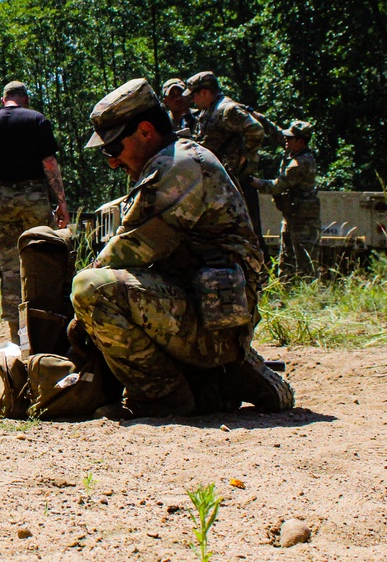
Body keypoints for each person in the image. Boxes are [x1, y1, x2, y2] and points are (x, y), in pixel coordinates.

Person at [74, 78, 293, 420]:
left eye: (113, 149)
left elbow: (124, 252)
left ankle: (166, 396)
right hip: (206, 311)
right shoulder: (180, 158)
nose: (112, 163)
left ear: (145, 131)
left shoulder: (175, 167)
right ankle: (219, 380)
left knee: (91, 290)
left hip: (214, 324)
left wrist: (70, 310)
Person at [0, 80, 70, 343]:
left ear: (3, 100)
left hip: (3, 199)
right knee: (42, 259)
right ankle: (46, 326)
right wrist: (61, 204)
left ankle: (17, 335)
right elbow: (49, 164)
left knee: (10, 267)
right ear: (24, 99)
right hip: (35, 196)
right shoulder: (37, 120)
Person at [183, 71, 267, 254]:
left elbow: (256, 130)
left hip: (237, 182)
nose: (193, 101)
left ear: (205, 92)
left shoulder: (226, 110)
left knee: (248, 232)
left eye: (194, 95)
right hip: (222, 182)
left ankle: (260, 274)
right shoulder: (208, 111)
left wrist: (244, 157)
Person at [251, 121, 319, 277]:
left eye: (290, 138)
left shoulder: (300, 163)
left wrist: (252, 181)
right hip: (292, 217)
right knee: (286, 260)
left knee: (305, 263)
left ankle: (306, 295)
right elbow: (276, 131)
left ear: (300, 142)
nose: (286, 141)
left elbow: (276, 186)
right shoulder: (295, 153)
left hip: (303, 220)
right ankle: (286, 291)